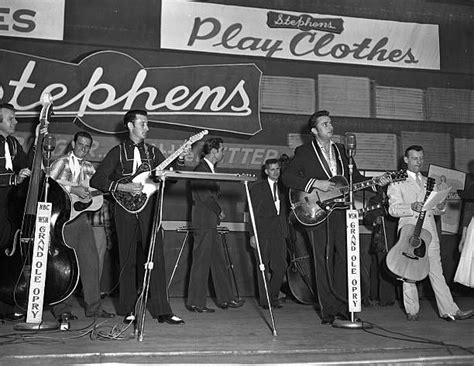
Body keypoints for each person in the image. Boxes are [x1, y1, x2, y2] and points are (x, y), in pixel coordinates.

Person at [281, 110, 389, 325]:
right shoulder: (304, 151)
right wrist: (315, 183)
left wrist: (377, 181)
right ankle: (328, 310)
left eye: (330, 123)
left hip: (340, 210)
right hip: (316, 211)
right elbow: (287, 177)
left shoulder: (342, 151)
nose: (330, 126)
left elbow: (354, 178)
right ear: (314, 131)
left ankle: (343, 306)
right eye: (324, 124)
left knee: (344, 258)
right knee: (321, 259)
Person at [90, 109, 186, 325]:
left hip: (149, 208)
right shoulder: (117, 152)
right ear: (130, 125)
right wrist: (123, 186)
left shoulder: (153, 153)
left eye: (147, 123)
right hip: (124, 210)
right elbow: (97, 180)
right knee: (127, 259)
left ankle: (163, 310)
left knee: (156, 257)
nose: (147, 128)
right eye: (142, 123)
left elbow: (170, 178)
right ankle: (129, 309)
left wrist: (178, 162)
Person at [387, 145, 473, 321]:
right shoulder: (397, 183)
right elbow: (393, 209)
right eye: (414, 158)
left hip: (430, 234)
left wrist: (440, 207)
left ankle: (450, 310)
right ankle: (412, 311)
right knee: (408, 272)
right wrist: (411, 207)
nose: (418, 162)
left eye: (421, 158)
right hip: (409, 233)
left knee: (437, 272)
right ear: (406, 160)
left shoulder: (429, 182)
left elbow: (433, 209)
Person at [49, 131, 115, 320]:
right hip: (62, 221)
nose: (83, 149)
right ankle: (63, 310)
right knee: (65, 265)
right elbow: (49, 184)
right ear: (73, 143)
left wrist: (113, 191)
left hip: (81, 220)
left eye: (87, 146)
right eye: (80, 145)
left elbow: (96, 190)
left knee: (91, 262)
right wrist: (73, 188)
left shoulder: (89, 168)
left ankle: (94, 308)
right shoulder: (61, 163)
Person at [187, 137, 244, 313]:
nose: (223, 153)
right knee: (201, 262)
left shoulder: (209, 169)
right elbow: (205, 196)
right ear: (213, 152)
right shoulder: (201, 169)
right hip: (204, 221)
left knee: (218, 261)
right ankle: (196, 302)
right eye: (222, 150)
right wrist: (219, 210)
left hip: (209, 222)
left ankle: (226, 299)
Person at [0, 103, 34, 321]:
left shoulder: (12, 143)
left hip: (9, 205)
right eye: (11, 118)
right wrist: (14, 178)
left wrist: (37, 144)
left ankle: (4, 307)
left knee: (5, 253)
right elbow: (13, 176)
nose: (15, 122)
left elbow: (26, 165)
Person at [249, 158, 288, 309]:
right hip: (262, 232)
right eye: (272, 169)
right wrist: (252, 234)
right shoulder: (258, 188)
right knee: (262, 266)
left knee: (280, 267)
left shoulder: (284, 188)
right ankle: (266, 301)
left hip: (279, 232)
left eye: (277, 169)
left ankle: (272, 296)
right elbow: (251, 212)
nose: (276, 172)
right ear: (266, 171)